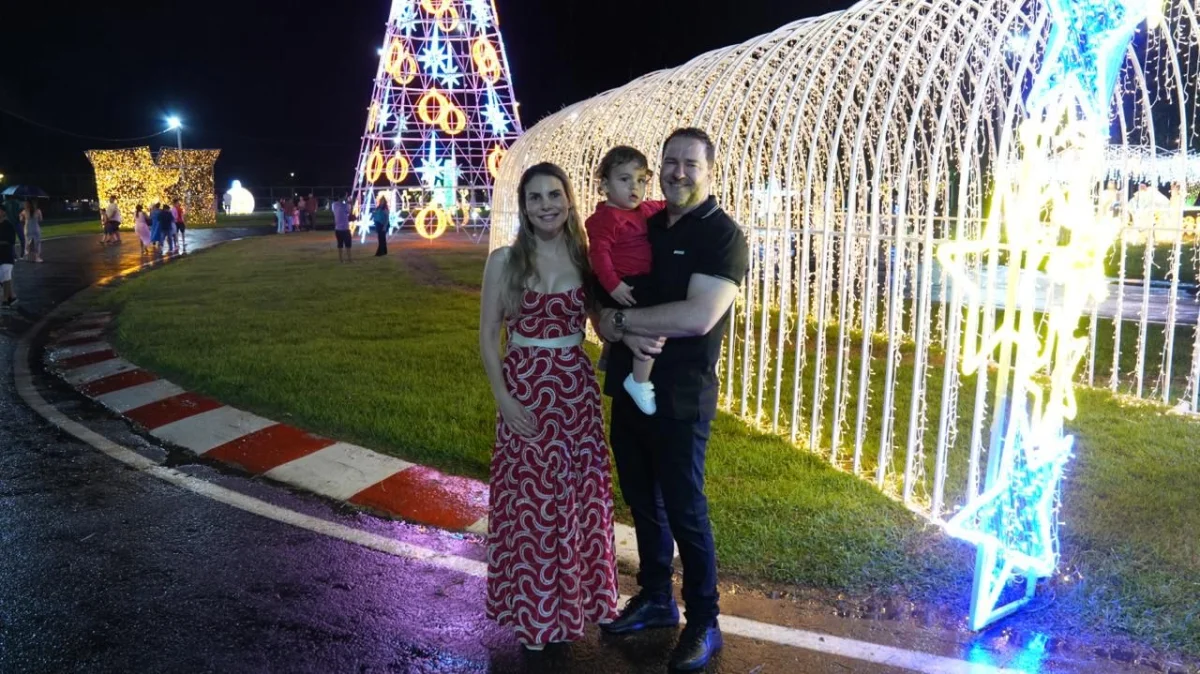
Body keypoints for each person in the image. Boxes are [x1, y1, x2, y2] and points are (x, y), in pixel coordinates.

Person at [595, 128, 749, 672]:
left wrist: (621, 323)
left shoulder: (722, 235)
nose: (678, 172)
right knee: (642, 500)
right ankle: (657, 596)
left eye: (690, 163)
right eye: (669, 162)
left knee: (685, 509)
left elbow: (698, 316)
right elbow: (600, 293)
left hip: (681, 395)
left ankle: (704, 620)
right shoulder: (645, 221)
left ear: (710, 170)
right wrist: (609, 320)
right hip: (629, 387)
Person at [479, 162, 618, 649]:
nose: (546, 205)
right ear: (523, 206)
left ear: (568, 199)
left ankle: (569, 608)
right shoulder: (504, 261)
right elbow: (487, 338)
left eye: (554, 195)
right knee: (532, 506)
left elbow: (603, 324)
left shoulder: (586, 258)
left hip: (576, 398)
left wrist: (642, 326)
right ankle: (535, 616)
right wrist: (503, 399)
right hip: (526, 396)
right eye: (535, 197)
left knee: (577, 501)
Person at [584, 145, 667, 414]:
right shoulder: (605, 218)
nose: (635, 187)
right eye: (625, 179)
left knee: (653, 322)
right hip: (622, 283)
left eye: (641, 180)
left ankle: (616, 358)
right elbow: (599, 254)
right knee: (656, 321)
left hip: (636, 282)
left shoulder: (643, 210)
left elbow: (667, 205)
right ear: (605, 185)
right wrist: (613, 285)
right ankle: (639, 381)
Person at [0, 208, 17, 309]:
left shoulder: (8, 225)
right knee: (3, 277)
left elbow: (11, 240)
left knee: (6, 275)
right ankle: (12, 296)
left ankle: (5, 299)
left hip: (7, 255)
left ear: (4, 212)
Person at [20, 199, 44, 263]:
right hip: (35, 228)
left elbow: (21, 220)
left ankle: (26, 255)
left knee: (27, 243)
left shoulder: (24, 212)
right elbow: (41, 219)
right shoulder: (38, 211)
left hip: (27, 229)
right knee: (37, 243)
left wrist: (24, 218)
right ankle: (37, 258)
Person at [331, 193, 352, 263]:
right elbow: (349, 212)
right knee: (348, 245)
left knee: (340, 244)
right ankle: (349, 259)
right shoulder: (346, 206)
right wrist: (350, 203)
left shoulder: (334, 205)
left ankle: (341, 260)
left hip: (337, 228)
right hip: (345, 228)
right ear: (344, 197)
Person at [3, 196, 23, 260]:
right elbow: (21, 211)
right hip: (15, 223)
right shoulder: (16, 202)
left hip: (13, 223)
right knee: (21, 239)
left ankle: (15, 255)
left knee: (12, 240)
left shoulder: (6, 204)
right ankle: (19, 255)